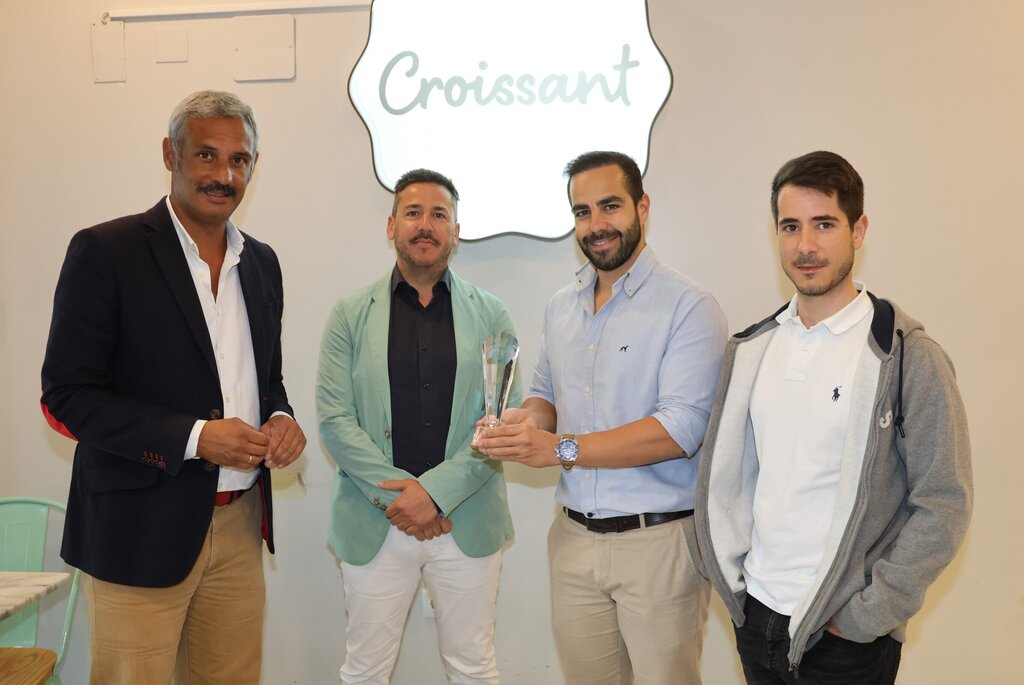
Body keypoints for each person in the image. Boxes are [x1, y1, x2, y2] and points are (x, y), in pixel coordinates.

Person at [40, 90, 306, 684]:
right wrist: (194, 437)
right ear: (170, 154)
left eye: (239, 160)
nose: (224, 175)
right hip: (137, 529)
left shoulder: (262, 263)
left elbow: (267, 380)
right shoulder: (105, 251)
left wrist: (282, 418)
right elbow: (67, 395)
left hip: (239, 525)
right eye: (207, 155)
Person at [694, 150, 973, 684]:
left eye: (824, 224)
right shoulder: (750, 350)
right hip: (757, 616)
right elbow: (731, 478)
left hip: (843, 634)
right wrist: (734, 587)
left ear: (858, 230)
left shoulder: (907, 356)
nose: (806, 245)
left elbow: (944, 501)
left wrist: (867, 615)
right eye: (790, 227)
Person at [475, 151, 727, 685]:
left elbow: (680, 429)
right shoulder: (560, 307)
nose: (596, 225)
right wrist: (522, 424)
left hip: (659, 545)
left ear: (642, 207)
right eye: (582, 212)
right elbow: (545, 396)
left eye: (610, 206)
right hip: (573, 542)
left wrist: (560, 449)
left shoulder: (689, 306)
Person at [317, 168, 518, 685]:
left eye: (438, 214)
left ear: (456, 231)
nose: (425, 225)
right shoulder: (349, 315)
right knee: (365, 671)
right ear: (391, 226)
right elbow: (335, 421)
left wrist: (435, 495)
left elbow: (503, 422)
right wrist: (405, 498)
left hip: (466, 520)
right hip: (375, 521)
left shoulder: (492, 314)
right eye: (412, 213)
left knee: (474, 668)